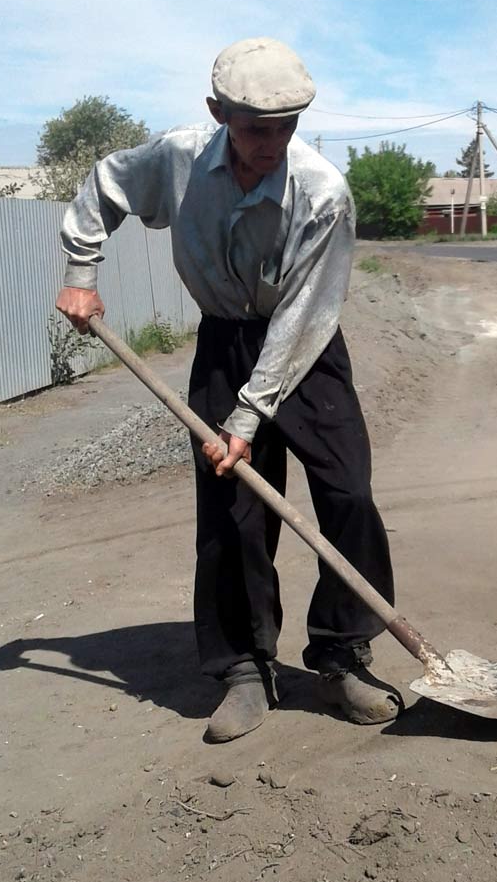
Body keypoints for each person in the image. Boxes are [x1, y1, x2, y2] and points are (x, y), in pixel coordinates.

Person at [56, 37, 400, 742]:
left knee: (348, 492)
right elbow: (104, 187)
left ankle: (342, 653)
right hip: (222, 343)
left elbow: (303, 317)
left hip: (304, 344)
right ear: (219, 113)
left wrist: (249, 415)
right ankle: (245, 667)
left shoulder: (323, 193)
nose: (272, 143)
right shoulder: (179, 158)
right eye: (254, 128)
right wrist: (81, 274)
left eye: (287, 126)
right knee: (232, 513)